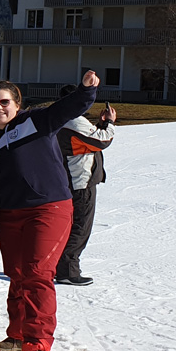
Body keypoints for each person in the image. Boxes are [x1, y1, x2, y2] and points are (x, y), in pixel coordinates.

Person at [0, 71, 100, 351]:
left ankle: (37, 347)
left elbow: (66, 109)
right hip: (10, 214)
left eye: (4, 102)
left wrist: (85, 91)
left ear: (17, 104)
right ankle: (18, 336)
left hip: (47, 208)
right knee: (17, 274)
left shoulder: (34, 122)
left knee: (36, 274)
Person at [54, 89, 117, 286]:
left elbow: (86, 141)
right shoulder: (74, 120)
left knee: (66, 226)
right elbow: (102, 140)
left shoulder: (58, 118)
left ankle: (58, 267)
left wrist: (100, 124)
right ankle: (68, 271)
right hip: (80, 181)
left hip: (68, 180)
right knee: (80, 227)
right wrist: (109, 123)